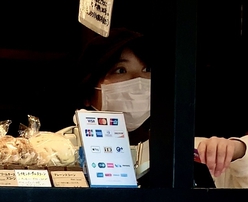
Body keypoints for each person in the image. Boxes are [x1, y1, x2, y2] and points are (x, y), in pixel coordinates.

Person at [73, 28, 248, 186]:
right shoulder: (62, 150)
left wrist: (238, 149)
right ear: (88, 92)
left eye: (147, 70)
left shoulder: (191, 152)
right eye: (120, 70)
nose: (138, 81)